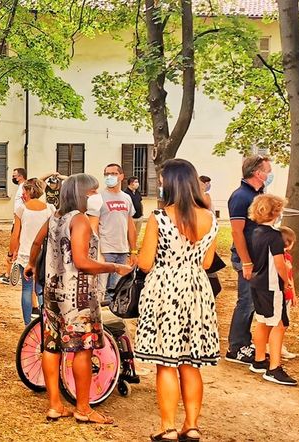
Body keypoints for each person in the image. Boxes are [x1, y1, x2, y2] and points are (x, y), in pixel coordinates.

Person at [23, 173, 131, 425]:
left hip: (52, 292)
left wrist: (31, 264)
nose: (96, 196)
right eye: (93, 191)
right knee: (83, 349)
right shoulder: (79, 220)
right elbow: (82, 262)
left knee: (51, 347)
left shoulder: (55, 217)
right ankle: (83, 408)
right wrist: (114, 268)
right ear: (82, 193)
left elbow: (37, 242)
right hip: (78, 298)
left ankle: (54, 405)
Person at [134, 159, 219, 441]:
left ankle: (168, 427)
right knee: (191, 362)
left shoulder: (159, 217)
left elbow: (146, 263)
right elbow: (207, 263)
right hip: (197, 289)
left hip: (165, 289)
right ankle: (191, 425)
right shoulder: (210, 218)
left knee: (166, 361)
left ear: (170, 184)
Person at [226, 154, 273, 365]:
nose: (270, 174)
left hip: (258, 257)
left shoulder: (258, 194)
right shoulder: (241, 196)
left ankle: (244, 342)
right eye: (267, 170)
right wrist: (245, 261)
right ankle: (236, 347)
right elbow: (237, 232)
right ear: (257, 172)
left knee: (253, 302)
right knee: (246, 302)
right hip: (247, 259)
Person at [245, 194, 297, 386]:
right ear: (275, 212)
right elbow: (279, 262)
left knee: (262, 320)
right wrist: (286, 281)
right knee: (279, 323)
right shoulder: (275, 236)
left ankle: (259, 359)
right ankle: (274, 368)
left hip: (257, 283)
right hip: (272, 285)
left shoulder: (255, 232)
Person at [8, 178, 54, 325]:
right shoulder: (50, 209)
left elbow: (15, 234)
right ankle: (44, 321)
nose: (23, 194)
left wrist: (11, 252)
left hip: (25, 255)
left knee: (27, 289)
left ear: (29, 191)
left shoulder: (21, 209)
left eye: (24, 191)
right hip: (44, 254)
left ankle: (27, 324)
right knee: (41, 288)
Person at [96, 164, 137, 299]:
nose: (109, 177)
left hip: (122, 250)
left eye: (113, 174)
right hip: (105, 250)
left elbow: (130, 225)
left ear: (121, 176)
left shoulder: (127, 198)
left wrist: (133, 251)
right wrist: (98, 252)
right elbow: (93, 226)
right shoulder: (99, 197)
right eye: (106, 174)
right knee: (101, 290)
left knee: (117, 290)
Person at [0, 168, 30, 285]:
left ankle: (11, 275)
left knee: (15, 247)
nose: (13, 177)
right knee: (16, 247)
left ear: (21, 176)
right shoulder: (21, 187)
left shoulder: (23, 187)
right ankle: (9, 274)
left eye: (15, 175)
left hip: (19, 220)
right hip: (18, 219)